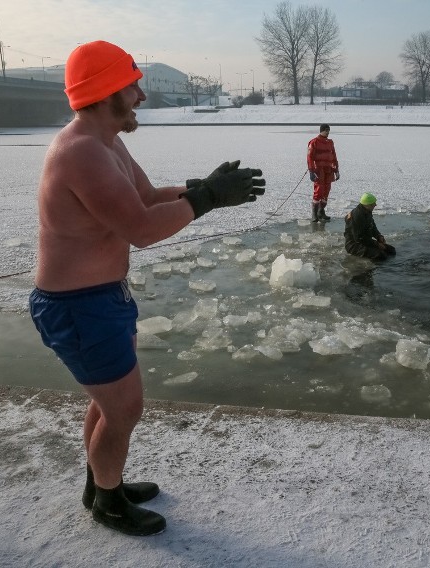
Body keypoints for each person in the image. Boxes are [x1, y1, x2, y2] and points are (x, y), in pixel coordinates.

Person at [28, 40, 265, 537]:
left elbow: (148, 198)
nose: (140, 94)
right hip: (78, 308)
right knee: (123, 407)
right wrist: (204, 201)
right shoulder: (82, 153)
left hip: (101, 299)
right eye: (131, 85)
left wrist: (201, 188)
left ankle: (102, 482)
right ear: (105, 91)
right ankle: (107, 502)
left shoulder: (106, 142)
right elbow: (143, 229)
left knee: (108, 402)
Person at [344, 193, 396, 260]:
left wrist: (378, 236)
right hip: (354, 245)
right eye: (373, 204)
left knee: (391, 250)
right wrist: (376, 244)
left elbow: (372, 226)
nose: (375, 205)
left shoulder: (367, 211)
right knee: (381, 256)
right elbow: (359, 238)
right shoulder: (357, 216)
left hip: (366, 241)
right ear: (367, 205)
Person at [307, 123, 339, 222]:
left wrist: (336, 170)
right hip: (318, 170)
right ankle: (314, 213)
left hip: (328, 170)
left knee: (326, 190)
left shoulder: (330, 142)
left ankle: (321, 211)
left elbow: (333, 157)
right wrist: (311, 171)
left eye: (328, 130)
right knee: (319, 191)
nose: (328, 132)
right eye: (326, 130)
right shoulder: (314, 142)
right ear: (321, 130)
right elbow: (310, 157)